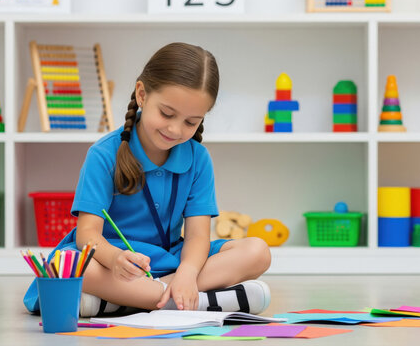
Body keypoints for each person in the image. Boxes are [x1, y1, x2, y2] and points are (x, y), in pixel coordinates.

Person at [23, 42, 271, 316]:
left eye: (191, 122)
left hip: (172, 259)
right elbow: (88, 234)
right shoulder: (104, 154)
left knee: (257, 251)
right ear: (142, 95)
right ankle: (188, 301)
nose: (175, 129)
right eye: (166, 113)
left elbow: (198, 236)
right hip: (115, 263)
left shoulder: (198, 159)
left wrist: (187, 274)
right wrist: (115, 258)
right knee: (64, 262)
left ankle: (125, 301)